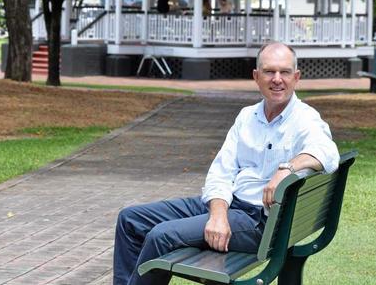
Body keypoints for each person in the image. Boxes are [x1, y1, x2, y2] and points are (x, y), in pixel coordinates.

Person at [113, 42, 340, 285]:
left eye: (284, 72)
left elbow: (328, 153)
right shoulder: (247, 117)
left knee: (161, 236)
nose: (277, 79)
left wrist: (288, 168)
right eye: (269, 71)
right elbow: (221, 171)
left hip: (256, 220)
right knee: (130, 219)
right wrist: (219, 214)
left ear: (296, 77)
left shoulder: (304, 118)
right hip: (228, 205)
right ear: (256, 76)